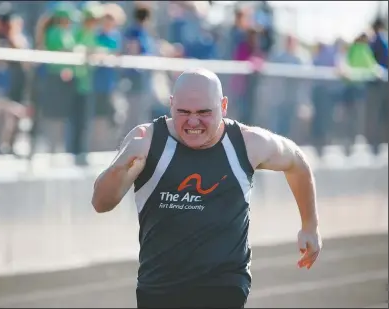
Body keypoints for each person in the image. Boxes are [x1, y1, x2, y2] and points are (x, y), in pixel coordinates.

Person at [92, 68, 322, 308]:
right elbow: (101, 203)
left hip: (224, 284)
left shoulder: (248, 143)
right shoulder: (148, 141)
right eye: (184, 112)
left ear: (223, 106)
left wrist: (310, 225)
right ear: (171, 105)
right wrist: (119, 166)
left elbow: (296, 161)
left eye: (204, 112)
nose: (193, 122)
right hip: (159, 285)